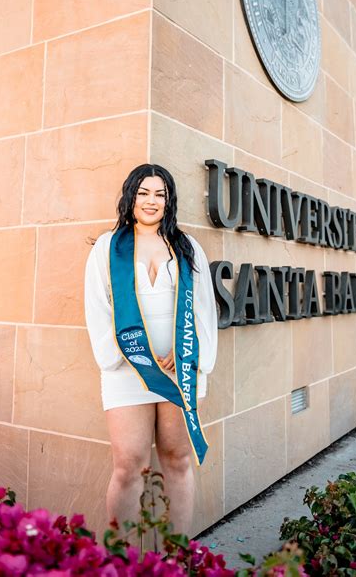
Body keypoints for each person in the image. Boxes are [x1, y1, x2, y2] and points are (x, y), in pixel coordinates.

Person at [84, 163, 218, 536]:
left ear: (169, 201)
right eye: (144, 192)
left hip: (180, 371)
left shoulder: (187, 247)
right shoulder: (109, 248)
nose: (151, 201)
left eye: (160, 194)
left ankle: (176, 558)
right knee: (129, 465)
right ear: (130, 197)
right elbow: (98, 307)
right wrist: (122, 353)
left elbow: (204, 309)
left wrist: (190, 353)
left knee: (176, 460)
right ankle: (120, 561)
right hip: (128, 372)